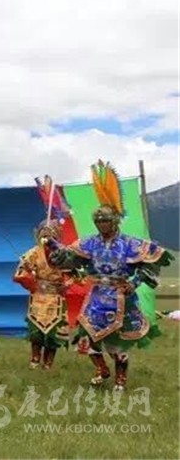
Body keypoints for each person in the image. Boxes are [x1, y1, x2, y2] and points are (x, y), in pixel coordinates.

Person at [49, 161, 173, 391]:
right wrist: (56, 251)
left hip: (121, 296)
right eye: (98, 221)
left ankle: (120, 379)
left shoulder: (130, 244)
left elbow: (150, 264)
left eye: (105, 220)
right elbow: (72, 259)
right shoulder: (89, 242)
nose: (101, 224)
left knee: (119, 343)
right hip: (96, 296)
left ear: (114, 220)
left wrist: (134, 283)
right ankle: (101, 369)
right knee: (86, 338)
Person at [12, 220, 71, 370]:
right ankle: (35, 358)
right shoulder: (32, 253)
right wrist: (28, 274)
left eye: (51, 235)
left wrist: (66, 285)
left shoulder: (64, 254)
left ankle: (48, 362)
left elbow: (77, 274)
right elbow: (21, 272)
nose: (47, 238)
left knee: (54, 331)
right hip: (38, 296)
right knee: (36, 331)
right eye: (44, 235)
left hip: (56, 296)